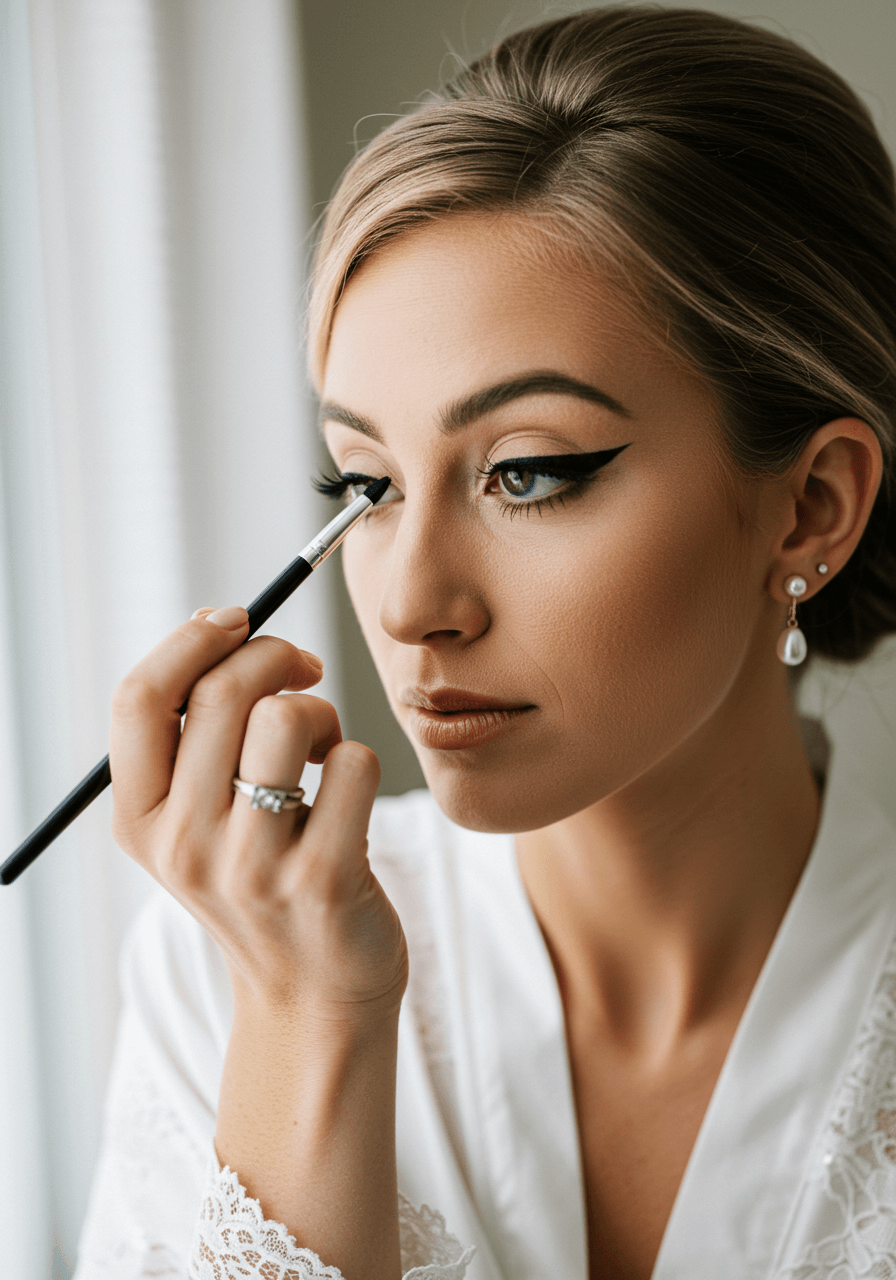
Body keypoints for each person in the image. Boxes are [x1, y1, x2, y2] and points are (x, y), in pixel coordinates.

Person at [74, 7, 896, 1279]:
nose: (407, 605)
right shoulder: (227, 965)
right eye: (365, 485)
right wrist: (310, 1022)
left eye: (526, 473)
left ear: (810, 505)